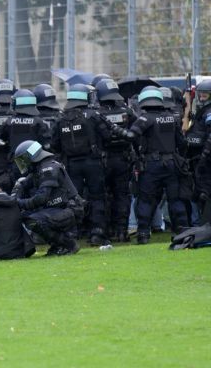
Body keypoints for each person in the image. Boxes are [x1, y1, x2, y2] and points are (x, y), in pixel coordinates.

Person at [51, 83, 111, 245]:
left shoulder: (61, 118)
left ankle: (73, 232)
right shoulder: (92, 115)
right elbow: (107, 135)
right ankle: (97, 232)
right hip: (93, 162)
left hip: (70, 165)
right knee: (97, 196)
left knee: (73, 199)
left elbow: (54, 144)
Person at [128, 87, 189, 244]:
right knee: (175, 200)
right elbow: (182, 143)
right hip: (172, 164)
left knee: (146, 200)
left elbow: (131, 136)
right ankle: (181, 231)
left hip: (151, 165)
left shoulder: (145, 118)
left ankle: (143, 234)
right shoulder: (171, 118)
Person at [12, 139, 82, 256]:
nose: (23, 163)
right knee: (25, 215)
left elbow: (40, 199)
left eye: (24, 159)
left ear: (31, 155)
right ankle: (57, 245)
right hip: (58, 209)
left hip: (69, 210)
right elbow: (22, 185)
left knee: (33, 220)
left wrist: (18, 203)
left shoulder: (48, 169)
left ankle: (68, 244)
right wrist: (14, 196)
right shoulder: (39, 169)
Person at [96, 78, 136, 243]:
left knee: (103, 196)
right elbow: (136, 132)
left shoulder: (97, 113)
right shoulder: (126, 111)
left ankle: (105, 232)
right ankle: (121, 231)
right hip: (124, 159)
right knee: (122, 196)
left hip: (103, 160)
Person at [184, 80, 211, 209]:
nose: (201, 98)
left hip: (208, 158)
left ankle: (210, 222)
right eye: (200, 95)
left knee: (207, 192)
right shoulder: (202, 111)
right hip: (197, 157)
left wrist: (205, 156)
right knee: (198, 191)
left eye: (205, 95)